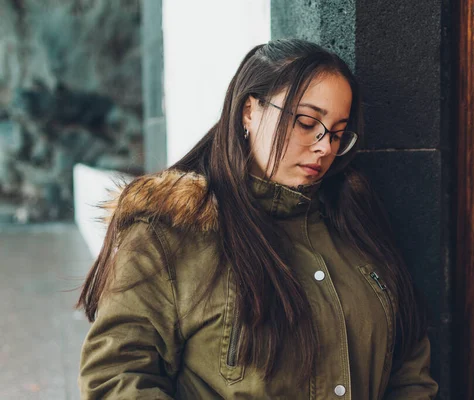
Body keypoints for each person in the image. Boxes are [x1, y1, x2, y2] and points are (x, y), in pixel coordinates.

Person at [76, 38, 439, 399]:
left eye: (338, 134)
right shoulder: (170, 233)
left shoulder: (357, 225)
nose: (324, 146)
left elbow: (409, 366)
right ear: (249, 110)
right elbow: (115, 377)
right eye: (307, 121)